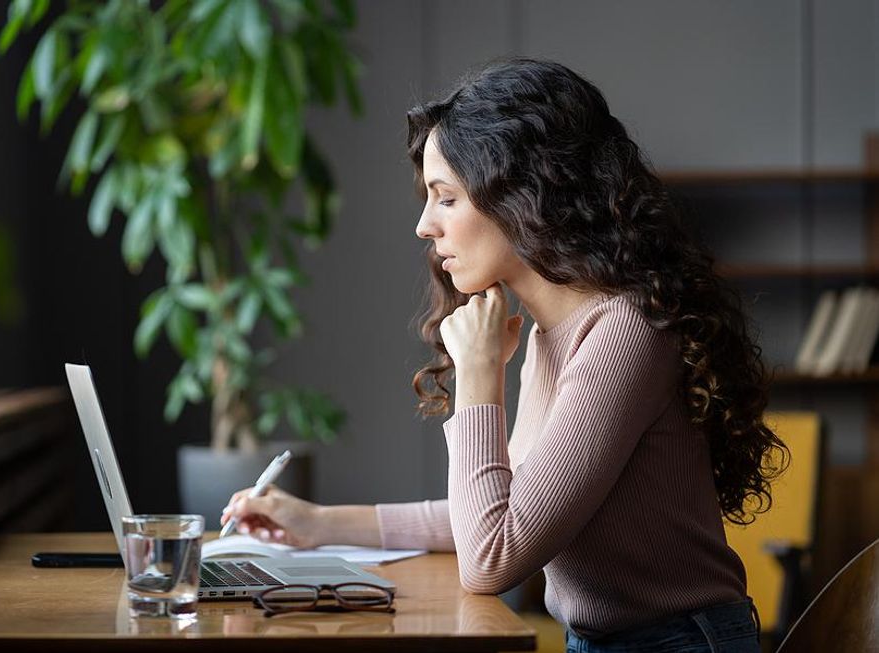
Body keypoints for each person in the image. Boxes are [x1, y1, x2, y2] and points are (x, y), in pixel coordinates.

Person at [220, 57, 786, 653]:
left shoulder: (626, 333)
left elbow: (493, 555)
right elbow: (496, 510)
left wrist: (480, 371)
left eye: (446, 198)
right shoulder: (553, 331)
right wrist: (318, 524)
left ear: (522, 196)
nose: (423, 226)